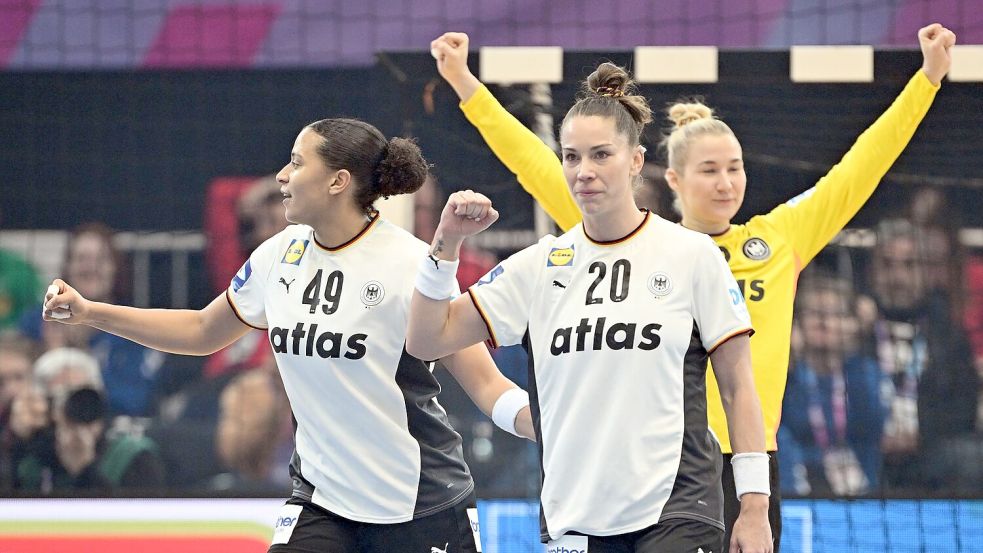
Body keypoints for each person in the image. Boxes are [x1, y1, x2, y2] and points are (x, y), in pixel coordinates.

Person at [430, 22, 955, 550]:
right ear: (673, 180)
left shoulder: (778, 242)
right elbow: (535, 164)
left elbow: (862, 167)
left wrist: (927, 79)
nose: (725, 183)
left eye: (735, 168)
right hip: (657, 467)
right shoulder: (640, 243)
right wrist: (464, 85)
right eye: (708, 170)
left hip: (749, 462)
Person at [42, 117, 533, 553]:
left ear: (338, 181)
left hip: (419, 503)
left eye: (296, 162)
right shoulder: (279, 255)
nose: (281, 175)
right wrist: (90, 312)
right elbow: (201, 330)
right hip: (324, 500)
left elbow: (487, 385)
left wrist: (548, 425)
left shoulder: (408, 266)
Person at [407, 63, 772, 553]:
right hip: (574, 515)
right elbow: (428, 339)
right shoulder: (538, 266)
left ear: (637, 160)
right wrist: (445, 245)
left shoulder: (691, 255)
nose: (585, 171)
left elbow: (738, 387)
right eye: (572, 157)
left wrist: (754, 506)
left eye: (602, 155)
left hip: (677, 506)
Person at [8, 347, 165, 492]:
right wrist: (17, 439)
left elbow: (141, 516)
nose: (73, 406)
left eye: (83, 395)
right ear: (44, 405)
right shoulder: (33, 452)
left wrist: (85, 470)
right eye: (60, 397)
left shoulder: (130, 454)